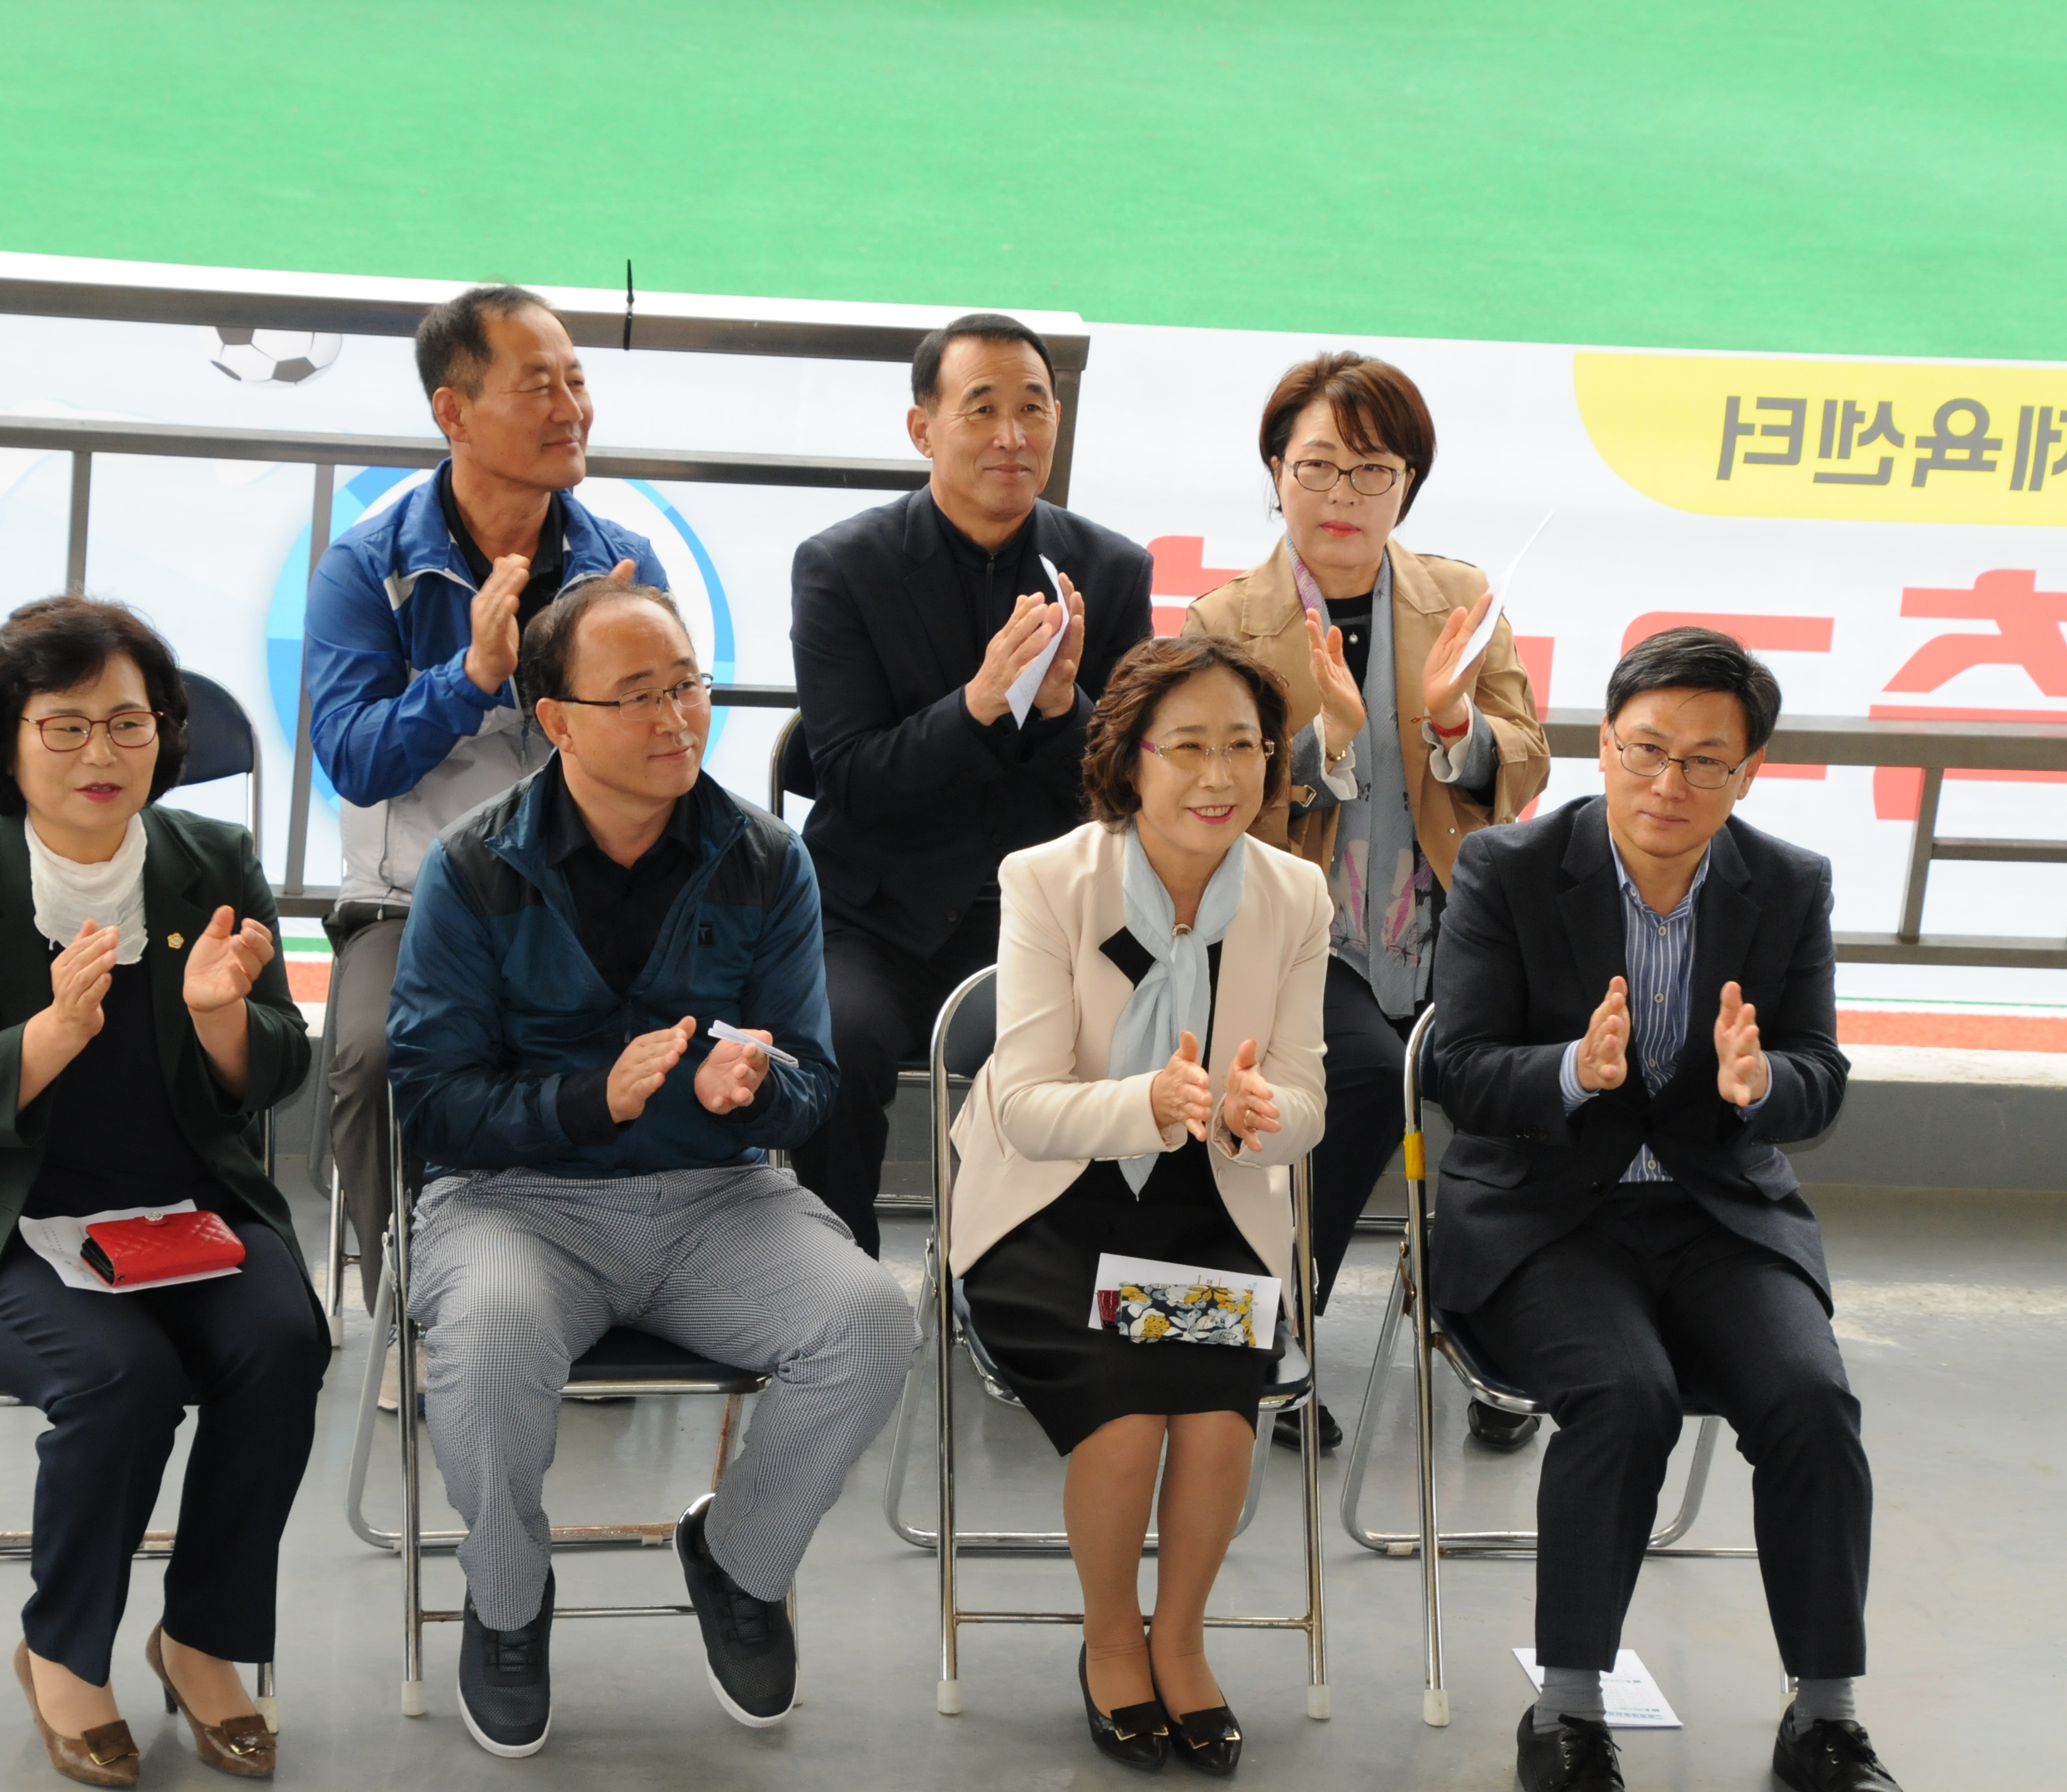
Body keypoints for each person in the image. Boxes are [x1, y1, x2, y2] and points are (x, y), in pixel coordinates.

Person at [386, 574, 918, 1757]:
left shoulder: (767, 859)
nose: (679, 716)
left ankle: (738, 1559)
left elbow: (809, 1080)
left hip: (717, 1199)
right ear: (558, 720)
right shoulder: (472, 870)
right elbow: (431, 1106)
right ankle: (509, 1600)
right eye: (638, 695)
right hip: (511, 1206)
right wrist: (592, 1096)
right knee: (497, 1344)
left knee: (874, 1324)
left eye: (689, 684)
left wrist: (757, 1088)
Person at [0, 597, 325, 1786]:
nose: (102, 754)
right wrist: (52, 1034)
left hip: (174, 1207)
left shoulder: (212, 863)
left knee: (284, 1340)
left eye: (130, 722)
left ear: (167, 735)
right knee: (121, 1374)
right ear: (7, 740)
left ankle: (201, 1637)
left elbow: (277, 1067)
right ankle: (63, 1655)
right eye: (65, 727)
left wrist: (221, 1020)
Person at [1422, 628, 1898, 1792]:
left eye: (1704, 762)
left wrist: (1761, 1085)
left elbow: (1818, 1076)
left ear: (1750, 772)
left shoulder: (1788, 885)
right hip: (1546, 1217)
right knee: (1623, 1398)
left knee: (1811, 1397)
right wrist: (1572, 1074)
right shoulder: (1510, 870)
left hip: (1715, 1215)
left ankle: (1825, 1715)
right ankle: (1571, 1714)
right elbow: (1459, 1068)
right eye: (1645, 751)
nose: (1667, 785)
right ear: (1604, 744)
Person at [949, 636, 1330, 1777]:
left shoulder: (1292, 892)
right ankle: (1110, 1638)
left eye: (1246, 749)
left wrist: (1269, 1110)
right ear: (1130, 762)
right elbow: (1018, 1107)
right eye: (1192, 749)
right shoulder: (1047, 881)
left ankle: (1181, 1637)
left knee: (1217, 1417)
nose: (1222, 779)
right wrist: (1149, 1102)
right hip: (1053, 1211)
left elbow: (1311, 1098)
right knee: (1125, 1413)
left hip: (1208, 1207)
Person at [1185, 351, 1548, 1452]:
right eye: (1318, 467)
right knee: (1355, 1075)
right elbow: (1197, 800)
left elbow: (1526, 762)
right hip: (1300, 935)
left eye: (1373, 471)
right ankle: (1275, 1325)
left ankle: (1486, 1327)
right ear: (1275, 473)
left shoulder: (1461, 601)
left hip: (1450, 931)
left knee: (1524, 1092)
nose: (1342, 497)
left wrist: (1452, 730)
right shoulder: (1224, 621)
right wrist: (1321, 746)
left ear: (1409, 485)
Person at [305, 283, 665, 1318]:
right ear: (452, 412)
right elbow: (355, 758)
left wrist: (621, 691)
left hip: (582, 899)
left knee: (664, 1038)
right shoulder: (366, 569)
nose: (570, 408)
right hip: (413, 905)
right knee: (376, 1057)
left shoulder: (617, 572)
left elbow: (663, 760)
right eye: (537, 385)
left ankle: (610, 1292)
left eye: (578, 380)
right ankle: (410, 1320)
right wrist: (468, 680)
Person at [789, 310, 1155, 1254]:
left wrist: (1071, 708)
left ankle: (1009, 1292)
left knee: (1073, 1049)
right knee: (840, 1041)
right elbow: (850, 778)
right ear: (924, 428)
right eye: (981, 408)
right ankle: (837, 1284)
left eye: (1032, 409)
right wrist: (980, 704)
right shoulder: (840, 566)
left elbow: (1127, 796)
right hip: (873, 914)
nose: (1011, 436)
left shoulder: (1110, 571)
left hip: (1039, 918)